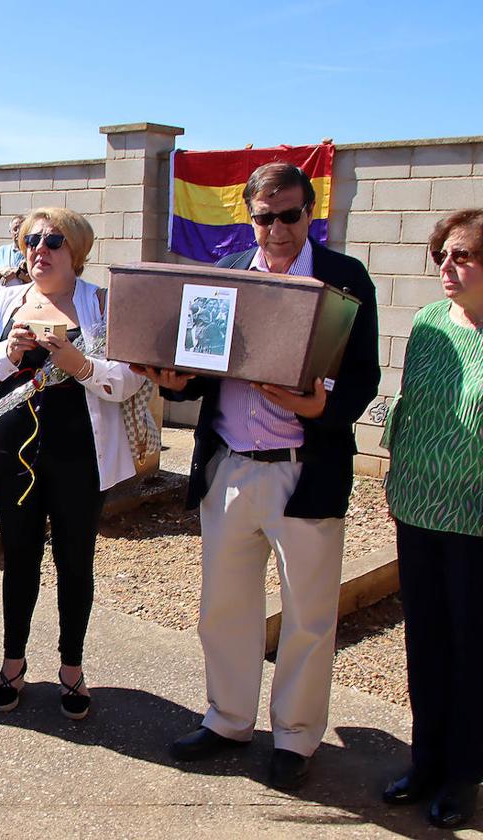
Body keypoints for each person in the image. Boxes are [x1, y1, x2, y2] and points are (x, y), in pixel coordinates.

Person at [140, 163, 379, 791]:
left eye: (289, 215)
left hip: (305, 471)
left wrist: (319, 406)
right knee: (224, 607)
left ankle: (297, 738)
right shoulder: (227, 278)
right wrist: (175, 380)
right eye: (264, 216)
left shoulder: (344, 280)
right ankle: (227, 720)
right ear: (251, 216)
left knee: (307, 613)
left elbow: (363, 376)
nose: (276, 229)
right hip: (231, 468)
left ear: (310, 213)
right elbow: (199, 365)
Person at [0, 207, 146, 720]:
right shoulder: (4, 303)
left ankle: (72, 669)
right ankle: (12, 665)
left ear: (78, 252)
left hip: (79, 454)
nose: (39, 249)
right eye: (31, 240)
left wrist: (79, 364)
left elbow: (129, 379)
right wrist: (6, 352)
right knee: (18, 559)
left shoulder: (100, 306)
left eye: (53, 240)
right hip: (12, 452)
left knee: (74, 560)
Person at [379, 209, 483, 829]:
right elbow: (409, 405)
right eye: (442, 254)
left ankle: (462, 775)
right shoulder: (427, 322)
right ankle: (425, 762)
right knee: (426, 643)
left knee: (473, 648)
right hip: (418, 507)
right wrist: (394, 476)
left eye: (463, 255)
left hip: (476, 517)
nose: (447, 266)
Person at [0, 214, 27, 287]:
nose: (18, 232)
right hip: (3, 297)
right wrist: (0, 272)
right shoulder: (1, 252)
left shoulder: (32, 252)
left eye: (22, 229)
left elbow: (37, 283)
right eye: (15, 229)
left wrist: (18, 274)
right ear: (10, 232)